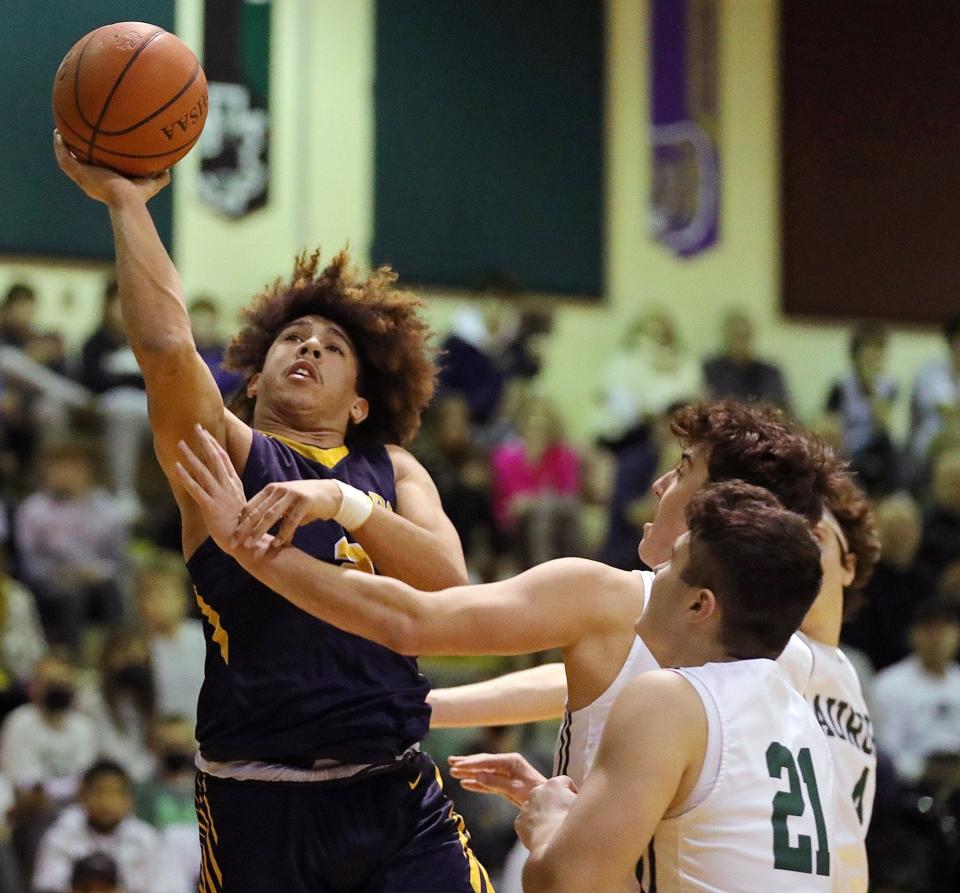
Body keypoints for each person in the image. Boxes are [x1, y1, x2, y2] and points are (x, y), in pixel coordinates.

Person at [55, 131, 488, 893]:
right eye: (293, 336)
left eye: (332, 346)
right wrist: (126, 201)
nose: (309, 347)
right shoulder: (227, 453)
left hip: (393, 788)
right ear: (252, 382)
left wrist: (349, 505)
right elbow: (164, 348)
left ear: (361, 402)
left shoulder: (391, 468)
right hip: (259, 795)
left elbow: (451, 586)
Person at [517, 482, 832, 892]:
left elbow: (564, 885)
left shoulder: (669, 697)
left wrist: (549, 825)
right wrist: (580, 814)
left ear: (699, 605)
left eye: (672, 561)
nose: (655, 572)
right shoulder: (803, 723)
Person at [32, 760, 188, 893]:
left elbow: (173, 888)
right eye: (99, 792)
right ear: (82, 795)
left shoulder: (147, 839)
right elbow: (47, 886)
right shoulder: (61, 835)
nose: (106, 801)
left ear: (129, 799)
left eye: (114, 793)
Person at [872, 599, 960, 785]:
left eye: (945, 629)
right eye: (929, 629)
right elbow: (885, 752)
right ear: (913, 634)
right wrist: (925, 770)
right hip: (913, 784)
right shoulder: (890, 684)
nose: (937, 638)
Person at [825, 322, 900, 494]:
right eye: (868, 350)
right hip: (847, 443)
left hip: (875, 444)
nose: (873, 356)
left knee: (889, 445)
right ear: (856, 355)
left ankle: (895, 495)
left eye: (878, 350)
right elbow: (831, 423)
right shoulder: (841, 387)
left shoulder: (889, 387)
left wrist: (872, 389)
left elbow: (884, 423)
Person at [702, 309, 790, 409]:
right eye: (736, 335)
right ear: (726, 336)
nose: (740, 342)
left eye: (745, 335)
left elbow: (779, 407)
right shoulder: (711, 370)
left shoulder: (770, 372)